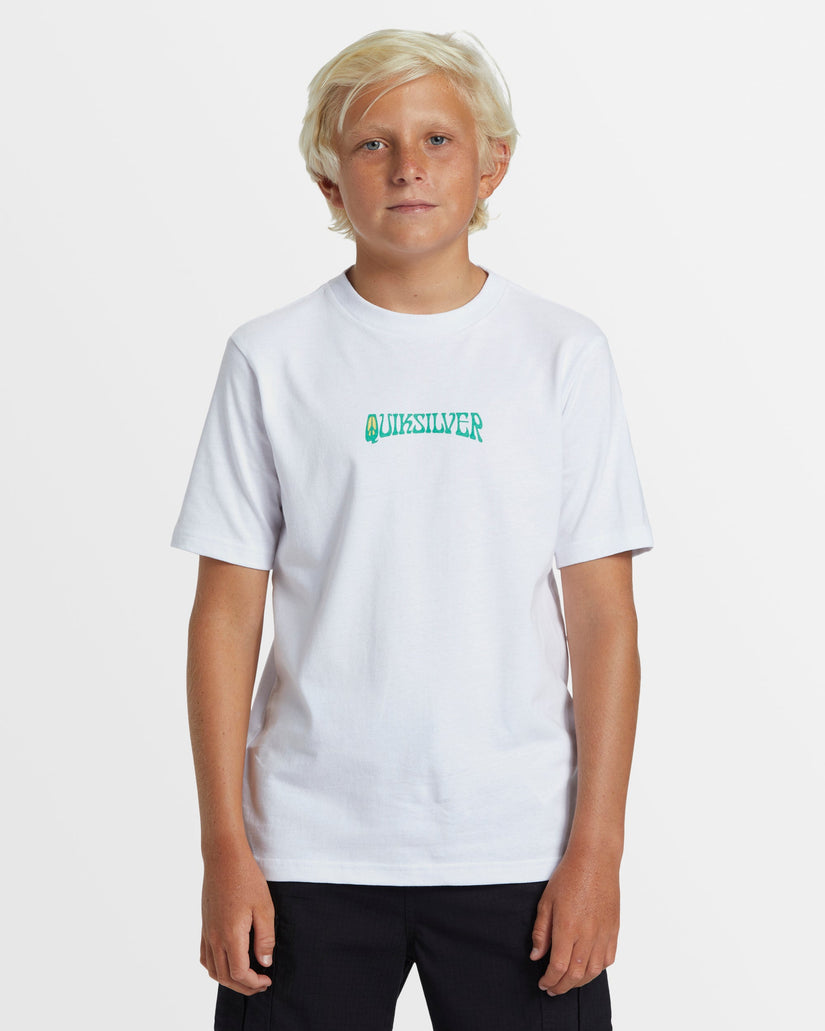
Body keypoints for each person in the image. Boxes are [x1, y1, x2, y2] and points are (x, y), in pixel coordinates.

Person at [171, 28, 653, 1031]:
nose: (407, 167)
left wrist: (597, 849)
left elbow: (604, 619)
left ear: (491, 165)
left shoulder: (561, 354)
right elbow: (225, 618)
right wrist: (224, 848)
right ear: (327, 181)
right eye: (372, 144)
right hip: (305, 851)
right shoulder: (271, 359)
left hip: (518, 846)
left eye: (437, 138)